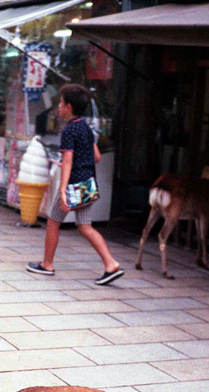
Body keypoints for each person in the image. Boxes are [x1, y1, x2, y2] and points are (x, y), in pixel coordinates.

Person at [27, 83, 124, 286]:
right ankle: (111, 263)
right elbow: (95, 156)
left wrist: (62, 190)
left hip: (72, 186)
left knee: (53, 221)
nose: (59, 107)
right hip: (87, 183)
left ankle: (47, 264)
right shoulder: (86, 128)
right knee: (85, 226)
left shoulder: (69, 131)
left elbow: (69, 161)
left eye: (61, 103)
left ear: (69, 106)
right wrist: (69, 162)